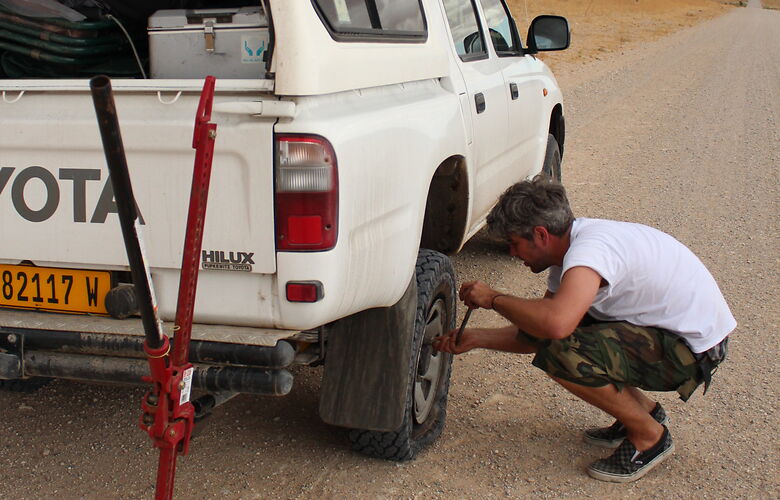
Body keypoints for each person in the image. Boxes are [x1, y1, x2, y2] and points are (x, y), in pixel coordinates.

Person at [433, 175, 735, 483]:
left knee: (563, 351)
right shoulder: (571, 252)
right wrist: (476, 338)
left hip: (694, 351)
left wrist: (494, 298)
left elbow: (555, 327)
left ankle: (649, 437)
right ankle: (645, 412)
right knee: (563, 332)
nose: (512, 253)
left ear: (540, 234)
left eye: (514, 243)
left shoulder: (589, 252)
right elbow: (537, 331)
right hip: (676, 334)